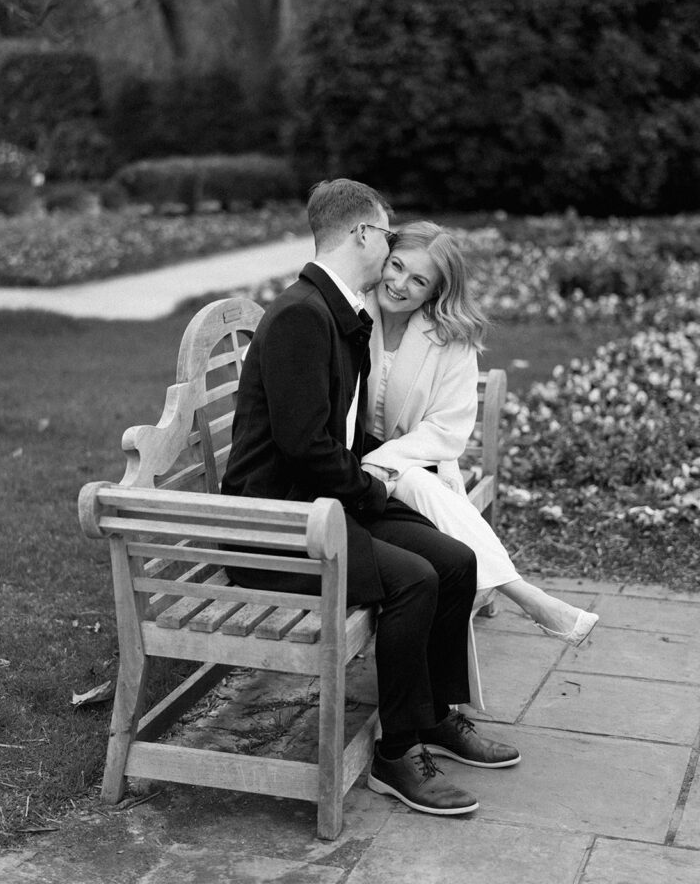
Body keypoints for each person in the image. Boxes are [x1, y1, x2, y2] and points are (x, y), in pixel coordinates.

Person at [222, 179, 520, 818]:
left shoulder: (335, 311)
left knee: (455, 560)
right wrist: (368, 488)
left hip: (321, 506)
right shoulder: (305, 314)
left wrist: (371, 488)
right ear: (362, 234)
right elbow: (304, 446)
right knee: (414, 580)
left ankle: (434, 714)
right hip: (276, 529)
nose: (390, 247)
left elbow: (337, 438)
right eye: (387, 234)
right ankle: (397, 753)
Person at [360, 220, 599, 674]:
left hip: (417, 459)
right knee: (426, 510)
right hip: (355, 464)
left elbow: (447, 431)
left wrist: (384, 460)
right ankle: (524, 594)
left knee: (416, 483)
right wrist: (372, 462)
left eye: (419, 281)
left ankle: (521, 598)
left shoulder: (448, 336)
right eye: (396, 266)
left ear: (434, 293)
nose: (399, 284)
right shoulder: (353, 312)